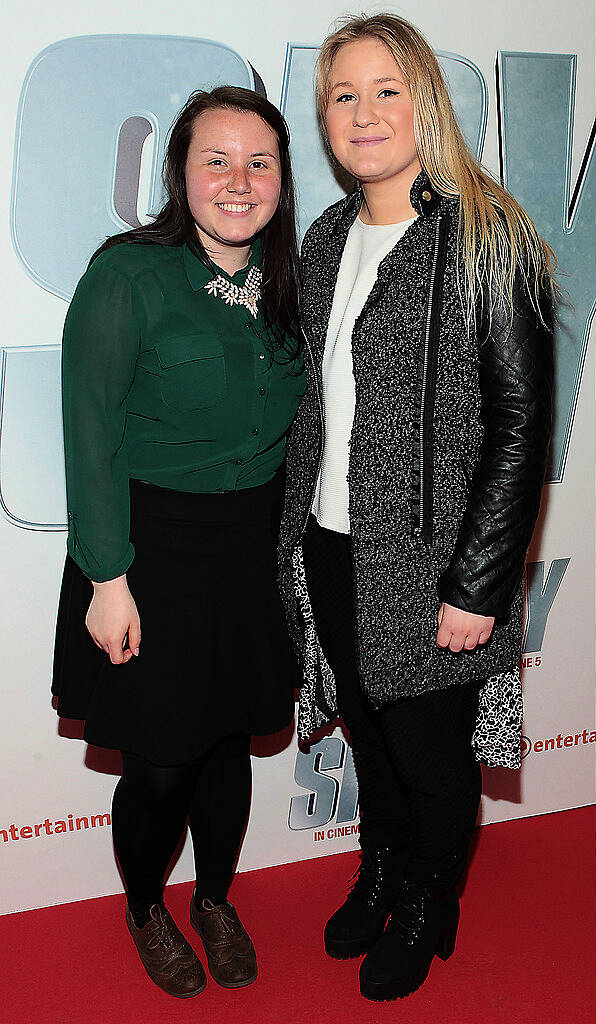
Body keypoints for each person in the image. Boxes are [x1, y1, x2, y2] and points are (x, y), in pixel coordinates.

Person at [278, 14, 554, 1003]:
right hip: (330, 543)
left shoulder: (487, 233)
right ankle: (382, 868)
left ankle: (431, 899)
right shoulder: (324, 238)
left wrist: (478, 580)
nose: (362, 113)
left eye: (384, 89)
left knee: (432, 755)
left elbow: (522, 425)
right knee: (368, 731)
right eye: (341, 95)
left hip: (435, 560)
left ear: (424, 101)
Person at [52, 86, 304, 998]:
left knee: (229, 741)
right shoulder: (127, 275)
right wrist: (107, 578)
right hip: (150, 548)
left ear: (282, 176)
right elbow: (88, 431)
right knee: (160, 762)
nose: (238, 181)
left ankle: (215, 899)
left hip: (253, 549)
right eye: (216, 160)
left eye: (260, 162)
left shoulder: (289, 278)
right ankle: (146, 909)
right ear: (181, 174)